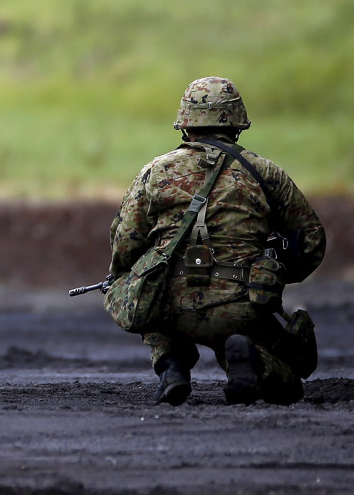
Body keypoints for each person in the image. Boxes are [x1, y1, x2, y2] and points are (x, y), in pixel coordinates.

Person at [104, 76, 326, 406]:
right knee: (287, 387)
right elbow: (311, 242)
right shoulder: (265, 173)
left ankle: (171, 363)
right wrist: (274, 272)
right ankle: (253, 364)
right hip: (242, 304)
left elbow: (125, 243)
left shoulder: (154, 173)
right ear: (237, 124)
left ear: (184, 124)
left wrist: (127, 275)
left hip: (170, 306)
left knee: (140, 283)